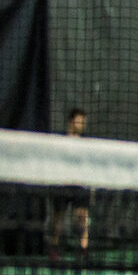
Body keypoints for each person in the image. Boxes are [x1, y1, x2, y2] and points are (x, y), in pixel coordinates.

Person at [47, 108, 90, 260]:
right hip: (62, 184)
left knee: (82, 216)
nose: (82, 124)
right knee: (58, 217)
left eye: (84, 121)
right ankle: (53, 248)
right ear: (71, 121)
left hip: (80, 185)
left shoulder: (87, 142)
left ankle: (83, 249)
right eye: (80, 121)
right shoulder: (60, 140)